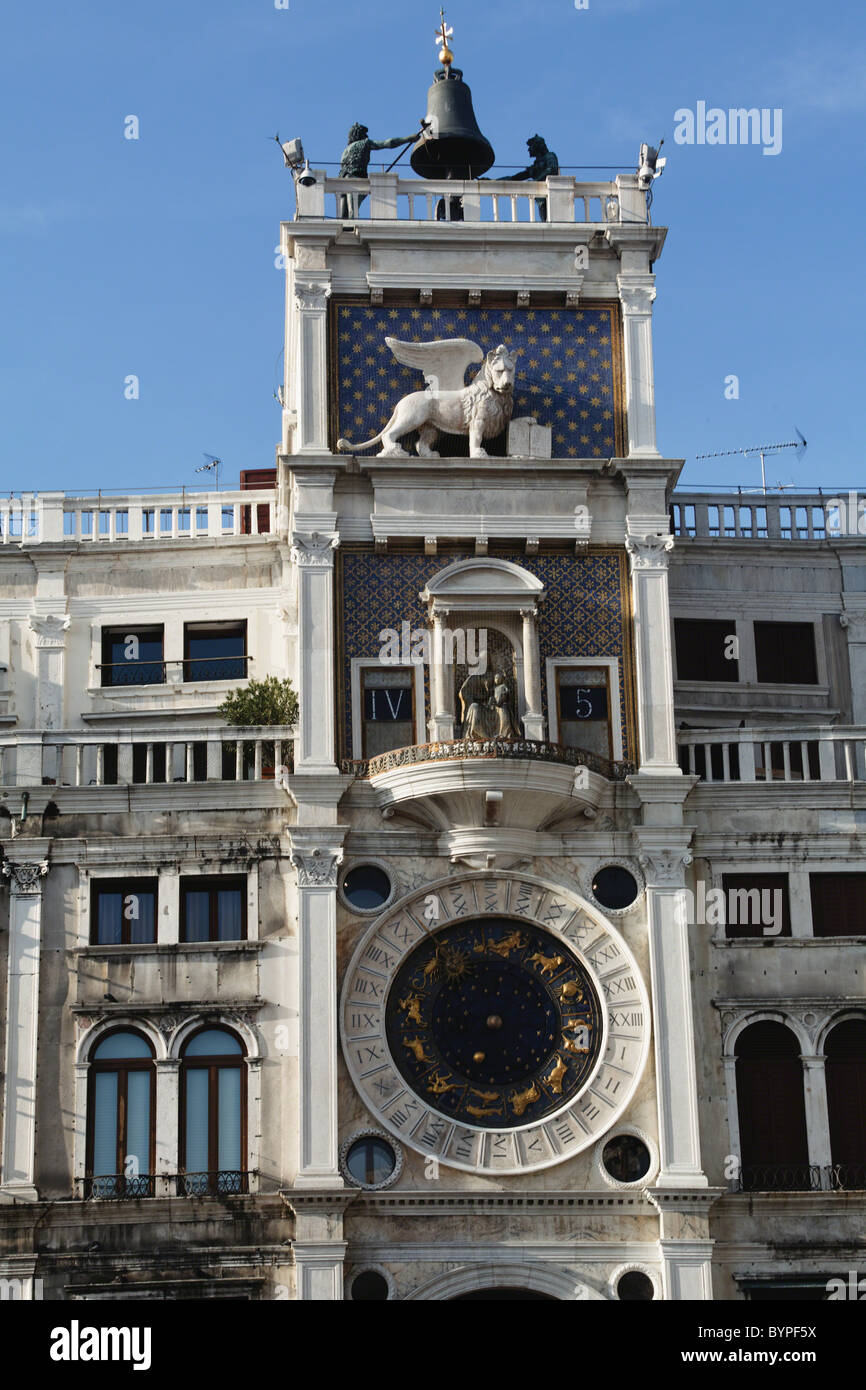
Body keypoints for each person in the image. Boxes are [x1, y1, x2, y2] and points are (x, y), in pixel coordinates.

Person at [338, 124, 424, 217]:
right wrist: (407, 139)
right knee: (353, 214)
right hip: (355, 179)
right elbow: (388, 143)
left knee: (343, 217)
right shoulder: (365, 143)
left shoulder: (345, 150)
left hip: (342, 181)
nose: (366, 136)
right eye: (365, 134)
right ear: (361, 134)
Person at [501, 135, 560, 222]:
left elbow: (552, 169)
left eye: (531, 147)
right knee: (543, 211)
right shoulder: (536, 166)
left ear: (537, 146)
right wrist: (492, 181)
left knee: (546, 212)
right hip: (541, 197)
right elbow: (515, 178)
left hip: (551, 195)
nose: (529, 150)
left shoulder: (549, 156)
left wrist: (536, 180)